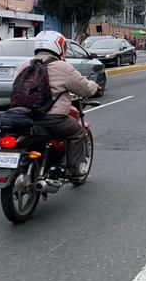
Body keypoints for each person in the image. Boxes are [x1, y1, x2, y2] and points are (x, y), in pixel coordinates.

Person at [12, 31, 99, 180]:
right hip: (53, 120)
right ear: (58, 47)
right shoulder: (63, 67)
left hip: (23, 116)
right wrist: (94, 85)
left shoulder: (25, 65)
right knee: (77, 132)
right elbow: (85, 89)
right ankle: (74, 170)